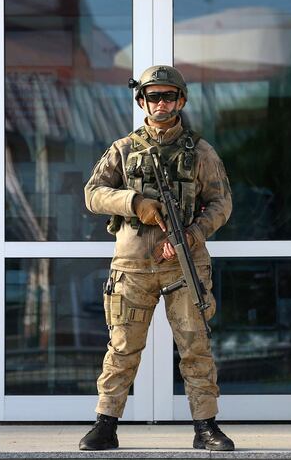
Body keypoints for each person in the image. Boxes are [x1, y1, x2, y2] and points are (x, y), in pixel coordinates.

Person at [80, 65, 234, 451]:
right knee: (122, 347)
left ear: (181, 99)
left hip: (185, 262)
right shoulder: (124, 148)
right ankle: (106, 424)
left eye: (168, 96)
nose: (161, 103)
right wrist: (134, 202)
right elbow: (93, 193)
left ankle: (205, 426)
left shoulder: (200, 151)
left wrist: (193, 233)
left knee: (195, 345)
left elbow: (221, 202)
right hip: (132, 264)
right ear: (142, 101)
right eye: (153, 97)